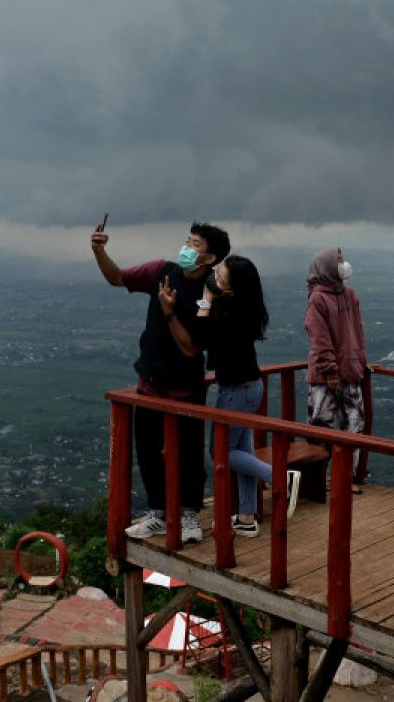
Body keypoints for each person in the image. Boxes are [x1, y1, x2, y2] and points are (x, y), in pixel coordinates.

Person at [91, 218, 230, 544]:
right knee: (149, 450)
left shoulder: (210, 292)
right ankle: (157, 514)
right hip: (151, 382)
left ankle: (188, 515)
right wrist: (99, 251)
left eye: (194, 244)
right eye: (188, 240)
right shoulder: (161, 272)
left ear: (210, 257)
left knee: (188, 453)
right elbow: (116, 278)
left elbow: (193, 346)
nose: (186, 247)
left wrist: (169, 312)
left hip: (185, 387)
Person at [196, 255, 300, 537]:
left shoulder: (231, 314)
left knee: (220, 452)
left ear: (233, 285)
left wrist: (206, 298)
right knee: (242, 451)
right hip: (251, 387)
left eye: (221, 273)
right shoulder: (243, 307)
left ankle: (278, 478)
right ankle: (246, 516)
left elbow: (201, 336)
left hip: (236, 391)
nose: (216, 274)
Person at [303, 248, 368, 485]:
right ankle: (316, 482)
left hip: (351, 373)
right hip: (324, 378)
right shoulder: (317, 299)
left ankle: (343, 480)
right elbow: (320, 339)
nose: (343, 263)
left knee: (354, 427)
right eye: (338, 260)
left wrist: (360, 361)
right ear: (327, 266)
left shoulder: (349, 294)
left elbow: (357, 332)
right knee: (322, 428)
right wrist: (331, 371)